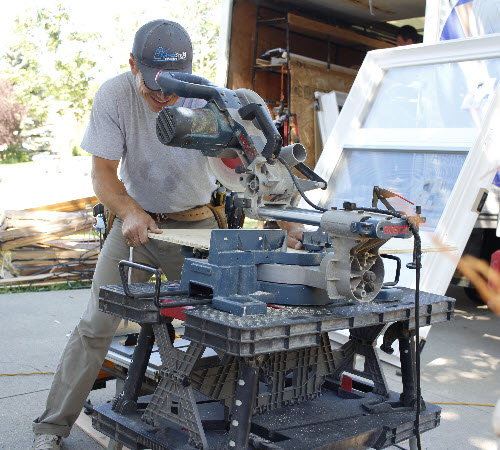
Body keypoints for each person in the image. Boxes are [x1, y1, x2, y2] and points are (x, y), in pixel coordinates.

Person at [32, 19, 304, 450]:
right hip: (136, 225)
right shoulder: (115, 95)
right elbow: (102, 174)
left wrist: (288, 221)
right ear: (132, 66)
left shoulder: (216, 102)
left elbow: (260, 171)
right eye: (154, 86)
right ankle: (52, 427)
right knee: (96, 324)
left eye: (173, 88)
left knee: (232, 322)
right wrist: (130, 211)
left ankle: (238, 423)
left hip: (196, 224)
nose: (163, 97)